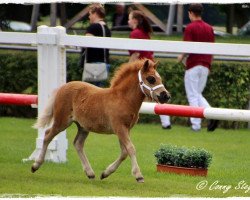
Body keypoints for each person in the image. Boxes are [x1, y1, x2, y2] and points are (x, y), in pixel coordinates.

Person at [177, 3, 218, 132]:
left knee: (192, 96)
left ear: (190, 13)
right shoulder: (209, 28)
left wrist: (181, 57)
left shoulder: (190, 27)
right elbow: (213, 48)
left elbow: (187, 46)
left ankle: (196, 125)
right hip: (206, 64)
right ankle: (213, 115)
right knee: (197, 94)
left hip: (193, 64)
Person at [128, 10, 171, 130]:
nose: (128, 21)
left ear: (135, 20)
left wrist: (127, 70)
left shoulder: (135, 33)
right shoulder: (145, 33)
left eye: (129, 18)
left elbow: (135, 55)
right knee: (157, 94)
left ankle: (128, 117)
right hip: (151, 67)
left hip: (143, 71)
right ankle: (166, 122)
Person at [80, 3, 111, 86]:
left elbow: (85, 43)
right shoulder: (106, 28)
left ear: (95, 13)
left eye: (90, 14)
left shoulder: (93, 27)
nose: (89, 17)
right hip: (104, 64)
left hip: (93, 66)